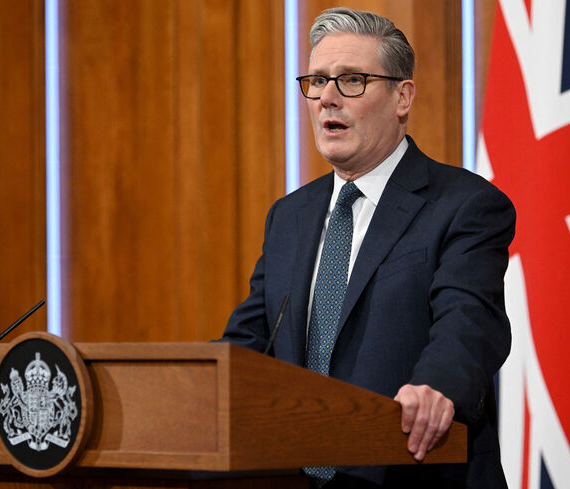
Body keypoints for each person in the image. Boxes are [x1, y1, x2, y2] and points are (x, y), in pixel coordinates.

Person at [221, 7, 514, 488]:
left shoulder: (465, 205)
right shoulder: (289, 217)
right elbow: (252, 343)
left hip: (413, 472)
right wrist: (188, 388)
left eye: (352, 80)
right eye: (316, 81)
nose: (327, 99)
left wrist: (434, 388)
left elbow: (469, 321)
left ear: (403, 96)